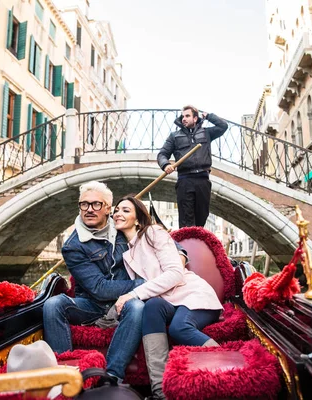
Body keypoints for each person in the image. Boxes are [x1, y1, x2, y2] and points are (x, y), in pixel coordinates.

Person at [42, 181, 187, 383]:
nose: (89, 210)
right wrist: (142, 284)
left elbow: (164, 239)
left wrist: (180, 256)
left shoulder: (121, 223)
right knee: (52, 305)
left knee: (136, 306)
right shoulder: (73, 246)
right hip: (94, 304)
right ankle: (65, 374)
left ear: (108, 208)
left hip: (129, 302)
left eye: (96, 204)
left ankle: (112, 375)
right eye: (84, 204)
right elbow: (99, 289)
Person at [112, 195, 222, 400]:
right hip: (168, 302)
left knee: (179, 328)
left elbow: (175, 273)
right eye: (116, 210)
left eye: (126, 210)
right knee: (152, 307)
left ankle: (224, 367)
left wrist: (132, 294)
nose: (118, 213)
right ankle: (160, 392)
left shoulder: (153, 232)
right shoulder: (126, 250)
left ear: (137, 219)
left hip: (193, 296)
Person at [157, 105, 228, 228]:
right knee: (186, 219)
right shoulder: (174, 136)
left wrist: (209, 116)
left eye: (187, 116)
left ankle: (197, 242)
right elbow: (162, 154)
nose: (183, 118)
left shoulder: (206, 133)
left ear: (195, 118)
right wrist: (166, 165)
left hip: (203, 180)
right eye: (183, 116)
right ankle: (187, 245)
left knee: (202, 216)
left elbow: (223, 126)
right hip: (185, 180)